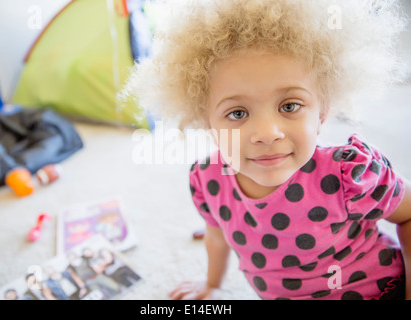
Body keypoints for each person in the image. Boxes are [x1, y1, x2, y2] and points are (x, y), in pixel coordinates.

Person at [124, 0, 411, 300]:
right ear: (207, 123)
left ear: (322, 112)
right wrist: (212, 285)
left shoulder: (349, 174)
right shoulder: (207, 179)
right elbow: (216, 235)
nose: (267, 134)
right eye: (237, 113)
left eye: (289, 106)